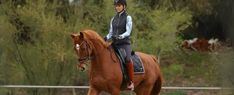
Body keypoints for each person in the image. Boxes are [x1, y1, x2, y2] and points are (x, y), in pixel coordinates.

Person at [104, 0, 134, 90]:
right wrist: (105, 37)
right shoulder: (113, 19)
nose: (117, 7)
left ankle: (130, 82)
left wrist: (120, 36)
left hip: (124, 44)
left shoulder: (128, 17)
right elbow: (111, 32)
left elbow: (128, 31)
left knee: (128, 59)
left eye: (119, 5)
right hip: (115, 43)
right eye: (116, 6)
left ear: (124, 6)